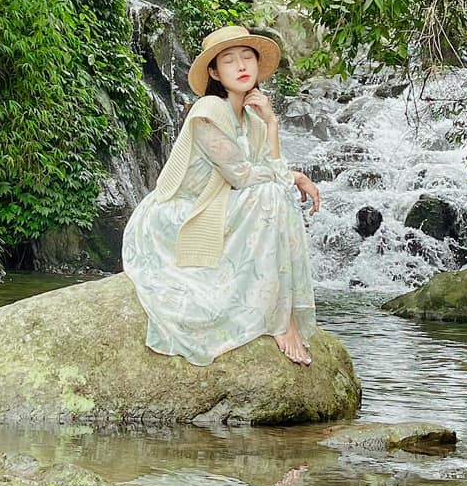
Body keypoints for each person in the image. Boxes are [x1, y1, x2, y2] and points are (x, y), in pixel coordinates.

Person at [122, 24, 322, 367]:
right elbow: (244, 176)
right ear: (214, 72)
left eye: (248, 58)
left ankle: (281, 310)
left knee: (275, 195)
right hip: (179, 214)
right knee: (273, 194)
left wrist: (272, 125)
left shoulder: (255, 120)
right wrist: (295, 176)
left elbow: (267, 175)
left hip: (222, 205)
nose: (242, 66)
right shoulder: (207, 113)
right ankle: (280, 317)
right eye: (229, 61)